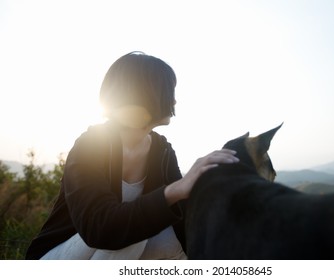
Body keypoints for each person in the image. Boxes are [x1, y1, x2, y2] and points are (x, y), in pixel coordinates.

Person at [25, 52, 239, 259]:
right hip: (59, 255)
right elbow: (98, 229)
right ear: (147, 94)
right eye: (169, 90)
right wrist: (174, 190)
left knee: (175, 240)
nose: (174, 101)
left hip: (114, 251)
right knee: (135, 235)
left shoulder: (162, 151)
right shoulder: (92, 145)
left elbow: (183, 219)